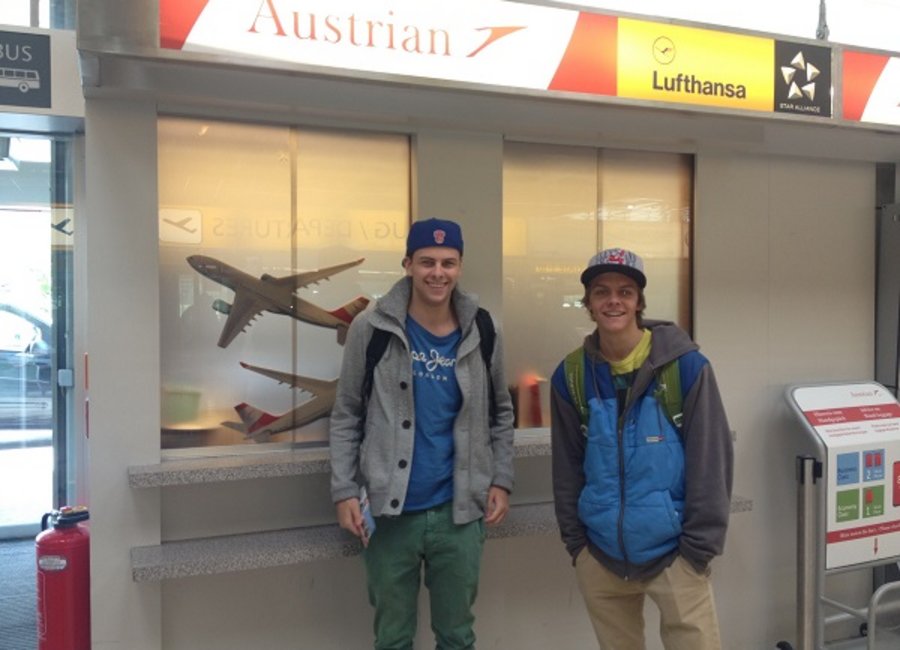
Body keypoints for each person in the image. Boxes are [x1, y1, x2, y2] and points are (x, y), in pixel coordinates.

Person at [329, 217, 515, 650]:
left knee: (457, 636)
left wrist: (501, 480)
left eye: (448, 263)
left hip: (460, 512)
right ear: (408, 264)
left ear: (460, 267)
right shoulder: (371, 328)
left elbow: (501, 413)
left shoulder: (483, 330)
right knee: (392, 637)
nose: (438, 273)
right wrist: (343, 490)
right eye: (427, 262)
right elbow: (346, 414)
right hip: (390, 513)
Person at [550, 247, 733, 650]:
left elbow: (711, 462)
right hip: (600, 556)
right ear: (589, 303)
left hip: (676, 556)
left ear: (638, 302)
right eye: (601, 292)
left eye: (625, 291)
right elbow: (566, 466)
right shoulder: (572, 375)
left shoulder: (686, 368)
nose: (613, 301)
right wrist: (578, 546)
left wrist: (698, 551)